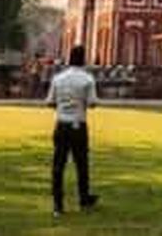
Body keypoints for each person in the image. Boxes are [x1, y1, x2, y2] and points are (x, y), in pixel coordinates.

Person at [46, 44, 99, 217]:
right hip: (78, 124)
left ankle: (57, 205)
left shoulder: (58, 78)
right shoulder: (87, 79)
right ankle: (83, 197)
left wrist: (62, 106)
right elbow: (92, 103)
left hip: (61, 124)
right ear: (84, 59)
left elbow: (50, 102)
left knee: (58, 165)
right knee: (81, 164)